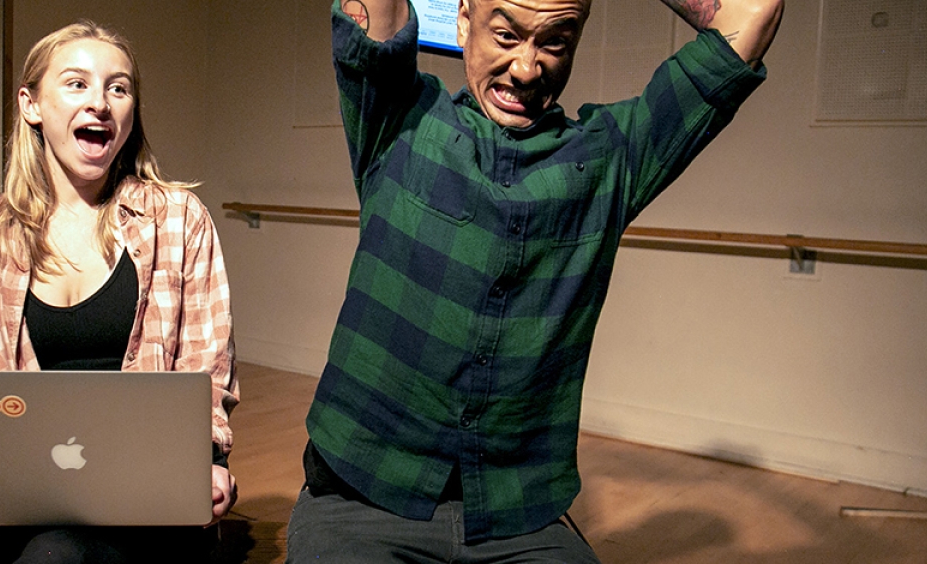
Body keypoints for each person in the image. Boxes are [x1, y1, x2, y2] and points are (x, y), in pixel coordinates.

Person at [286, 0, 783, 562]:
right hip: (361, 501)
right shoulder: (400, 118)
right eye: (505, 34)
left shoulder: (609, 158)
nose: (526, 69)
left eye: (554, 42)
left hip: (518, 521)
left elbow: (755, 11)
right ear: (464, 18)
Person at [0, 21, 238, 564]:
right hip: (22, 500)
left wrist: (211, 461)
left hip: (146, 500)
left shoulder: (179, 222)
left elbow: (207, 373)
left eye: (118, 88)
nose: (100, 102)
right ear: (31, 105)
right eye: (76, 84)